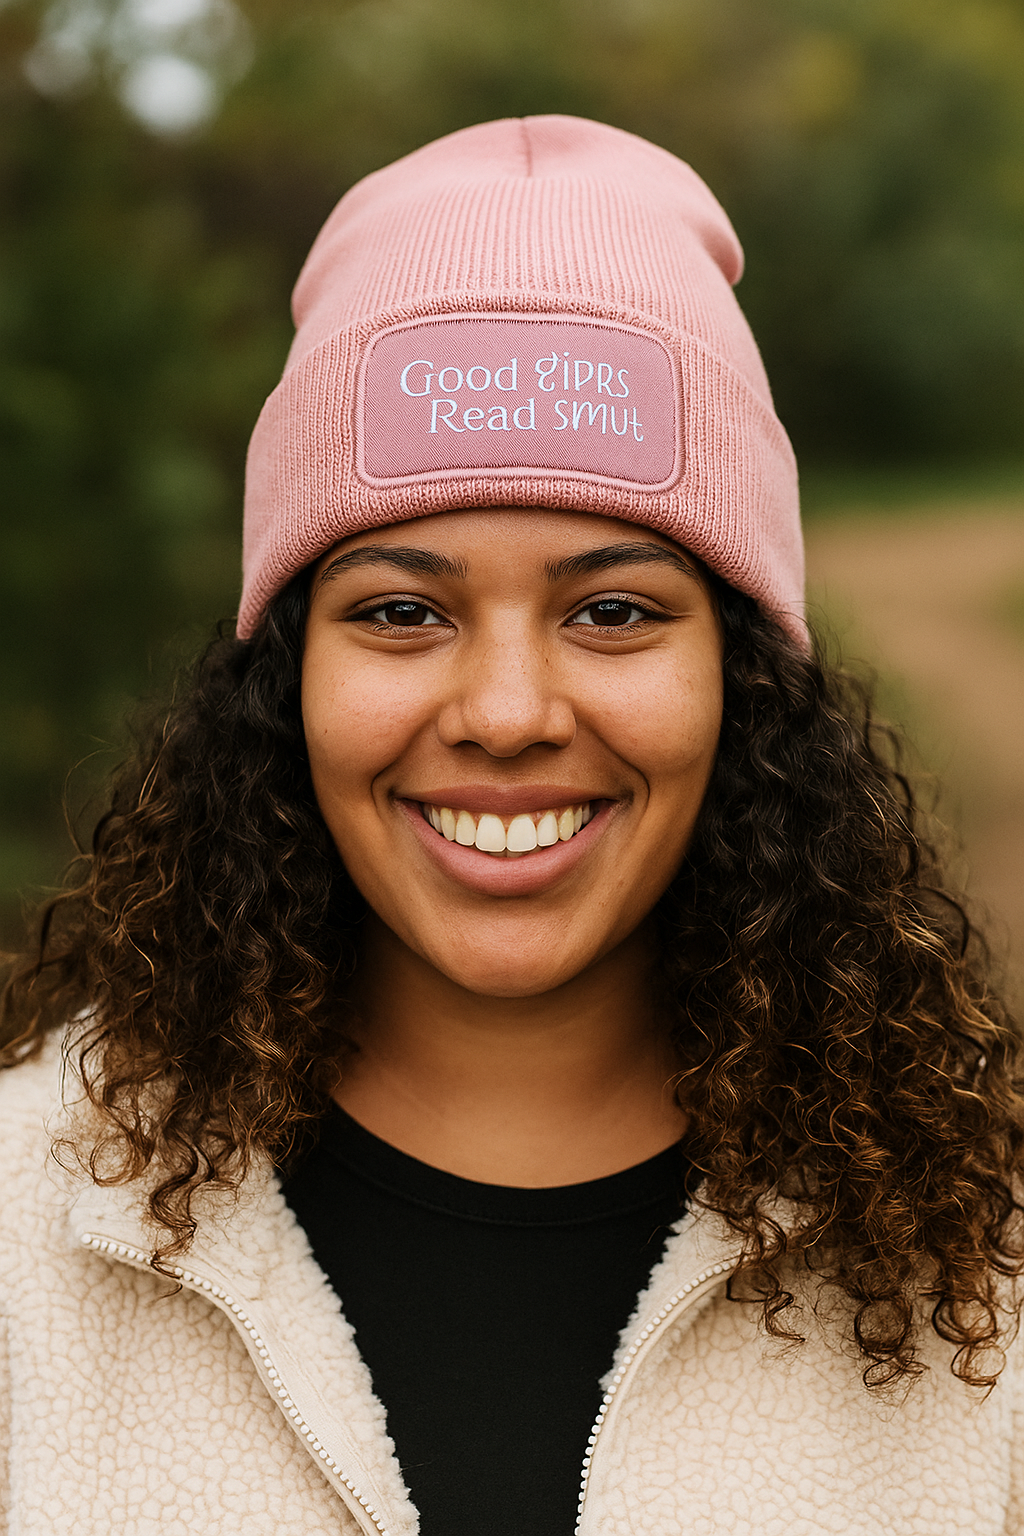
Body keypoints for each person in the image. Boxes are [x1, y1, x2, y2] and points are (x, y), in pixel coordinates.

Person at [2, 115, 1023, 1536]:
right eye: (400, 610)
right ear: (282, 676)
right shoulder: (19, 1234)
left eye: (613, 609)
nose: (502, 710)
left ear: (744, 679)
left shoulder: (985, 1269)